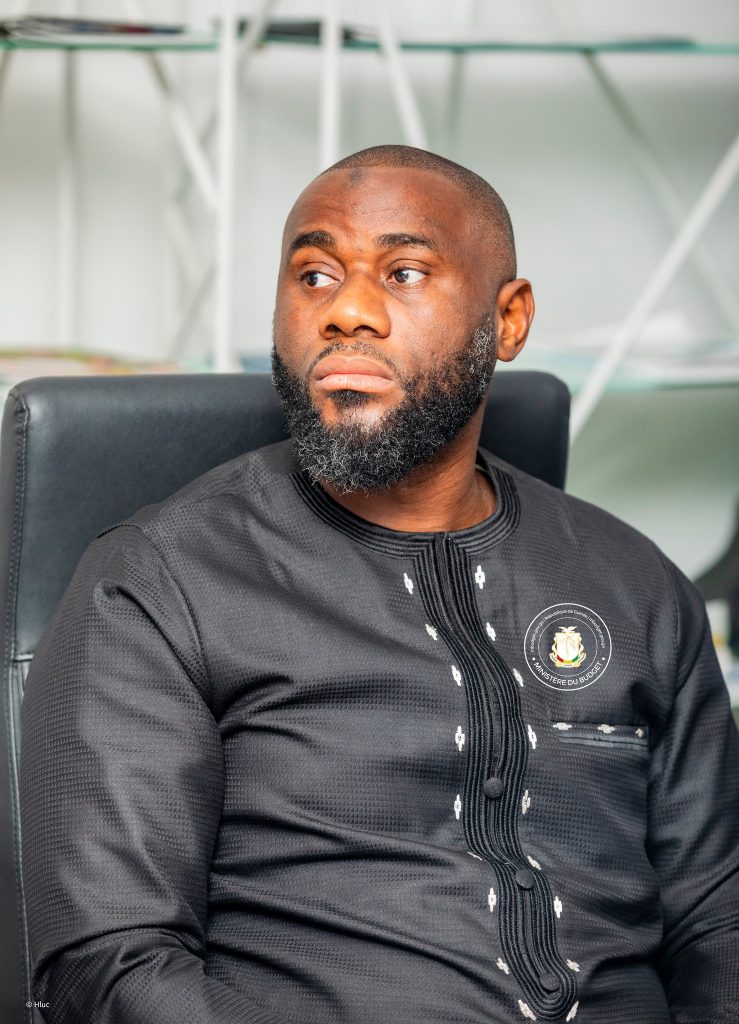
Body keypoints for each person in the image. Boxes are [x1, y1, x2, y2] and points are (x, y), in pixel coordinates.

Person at [19, 145, 739, 1024]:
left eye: (402, 273)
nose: (346, 311)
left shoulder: (635, 584)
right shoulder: (160, 584)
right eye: (314, 276)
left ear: (508, 320)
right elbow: (112, 966)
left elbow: (716, 922)